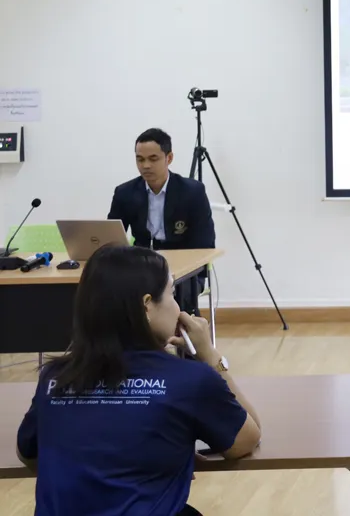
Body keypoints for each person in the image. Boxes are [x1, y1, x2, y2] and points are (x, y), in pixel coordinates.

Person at [15, 244, 261, 516]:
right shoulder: (189, 380)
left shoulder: (55, 377)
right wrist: (210, 355)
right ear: (147, 305)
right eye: (172, 293)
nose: (178, 307)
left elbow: (27, 452)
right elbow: (246, 439)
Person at [108, 128, 216, 315]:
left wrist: (191, 271)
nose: (146, 165)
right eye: (140, 159)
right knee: (115, 290)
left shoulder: (192, 192)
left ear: (169, 158)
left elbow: (204, 243)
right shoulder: (125, 193)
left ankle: (183, 331)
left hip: (185, 269)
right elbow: (111, 238)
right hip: (143, 265)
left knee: (169, 295)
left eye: (153, 159)